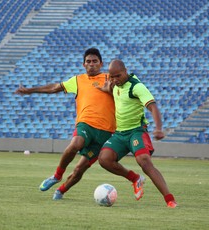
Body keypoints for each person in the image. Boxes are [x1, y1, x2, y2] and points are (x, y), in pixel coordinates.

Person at [16, 48, 145, 200]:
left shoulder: (111, 78)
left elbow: (128, 93)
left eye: (95, 61)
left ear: (101, 63)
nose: (91, 64)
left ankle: (61, 190)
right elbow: (54, 87)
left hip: (105, 133)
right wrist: (31, 91)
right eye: (88, 62)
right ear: (84, 65)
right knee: (75, 144)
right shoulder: (77, 80)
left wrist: (111, 90)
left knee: (79, 169)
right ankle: (57, 175)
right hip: (86, 125)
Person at [96, 59, 177, 208]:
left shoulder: (136, 86)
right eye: (111, 77)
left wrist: (158, 128)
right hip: (120, 134)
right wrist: (102, 88)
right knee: (104, 159)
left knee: (144, 161)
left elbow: (153, 107)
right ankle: (135, 179)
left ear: (126, 71)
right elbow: (111, 89)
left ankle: (170, 200)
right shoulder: (115, 85)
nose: (114, 80)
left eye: (118, 76)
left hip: (136, 131)